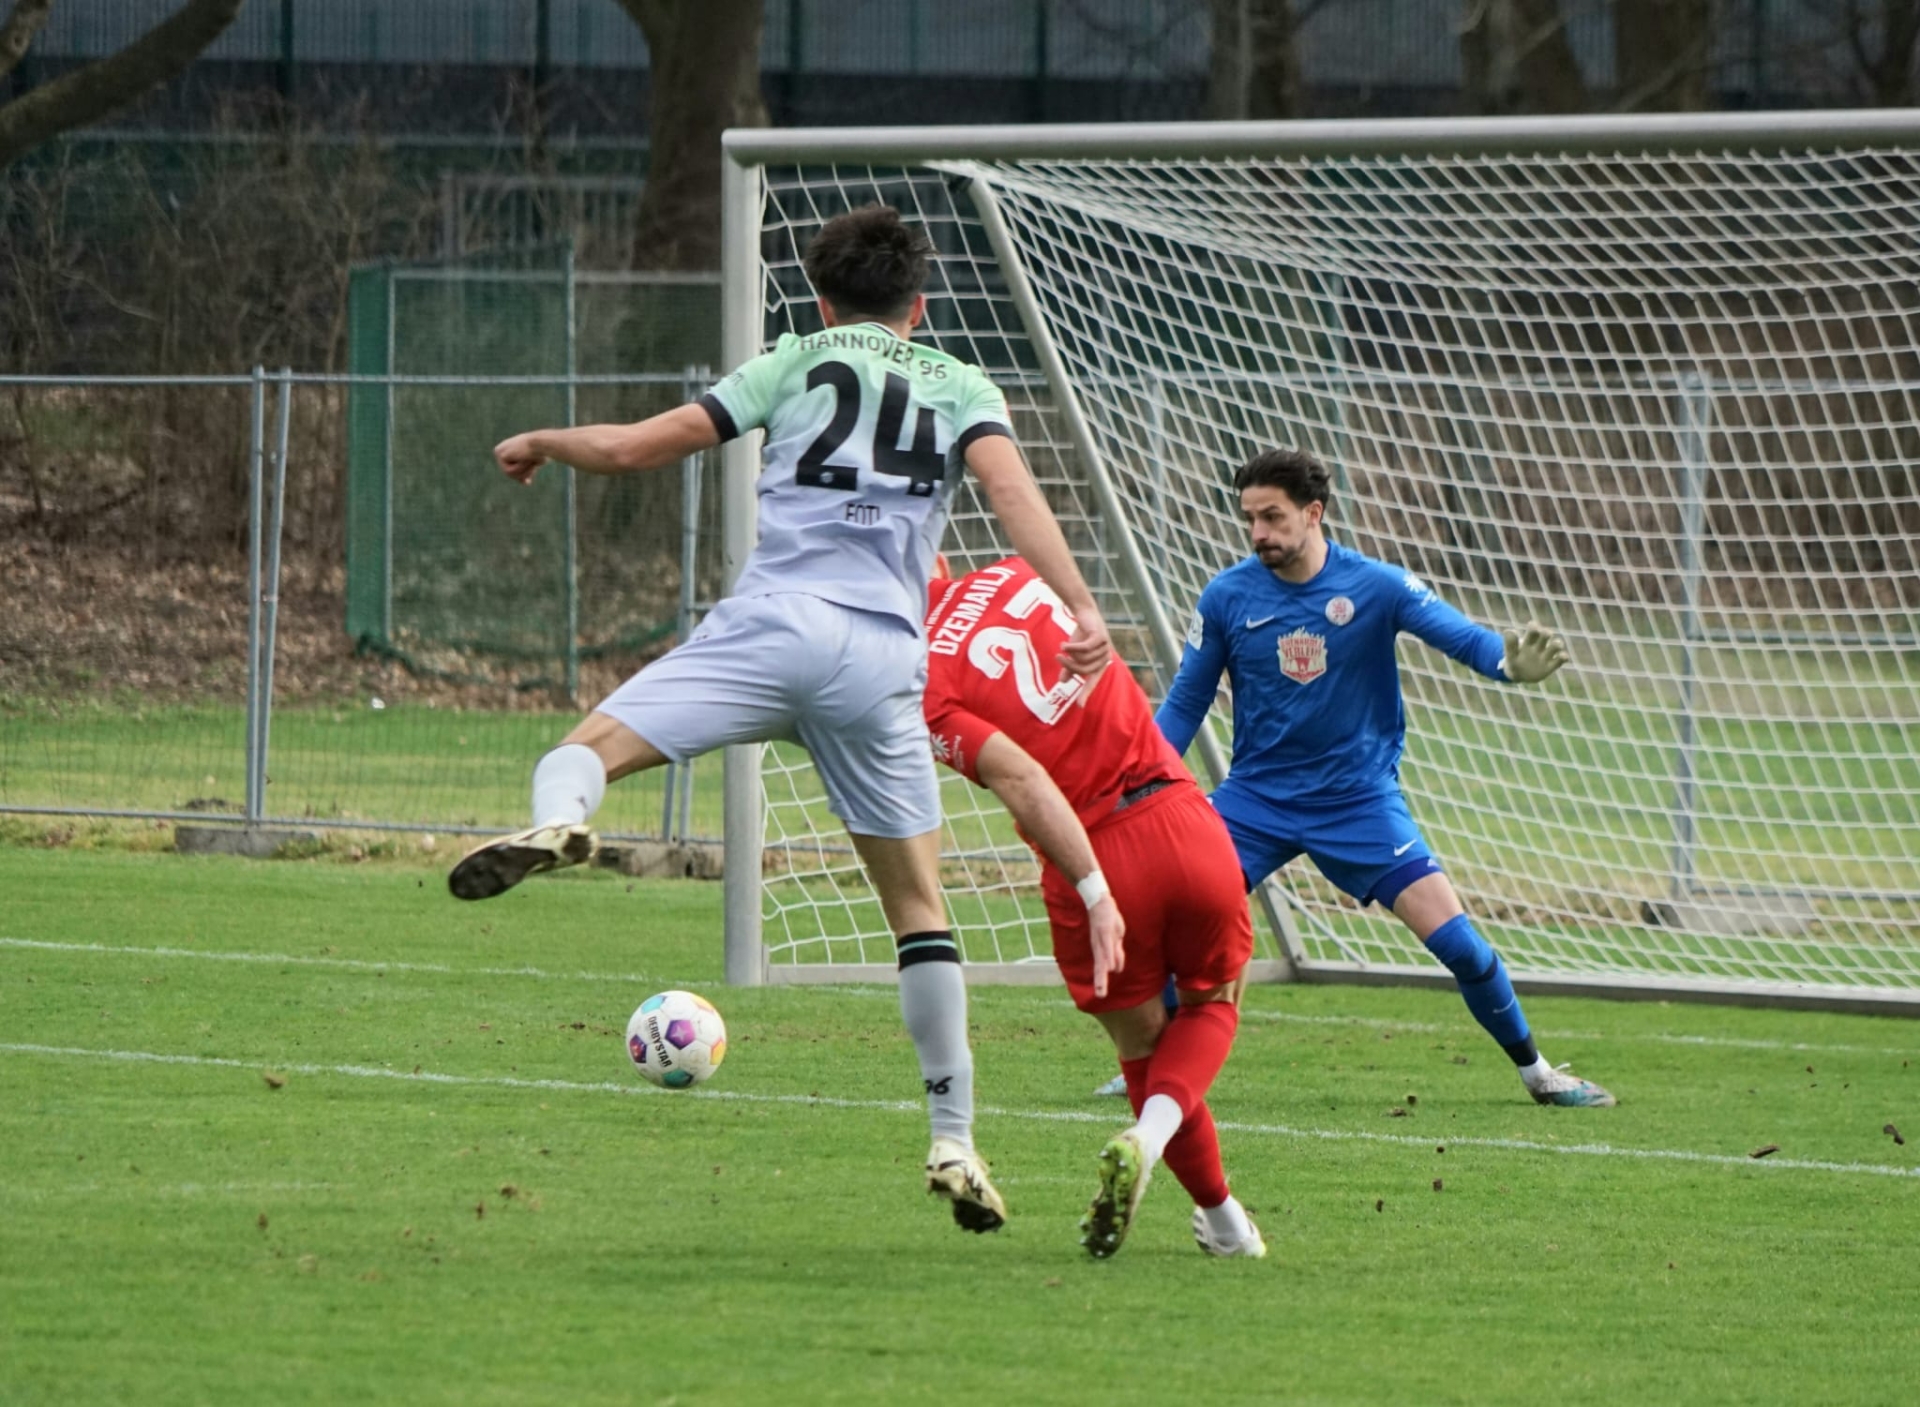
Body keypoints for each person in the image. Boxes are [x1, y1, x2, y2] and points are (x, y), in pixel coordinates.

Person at [448, 204, 1114, 1233]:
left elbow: (633, 448)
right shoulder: (960, 384)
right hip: (885, 661)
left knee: (581, 749)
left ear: (822, 298)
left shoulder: (790, 360)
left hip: (774, 627)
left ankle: (565, 818)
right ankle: (952, 1133)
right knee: (920, 911)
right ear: (919, 306)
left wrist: (545, 439)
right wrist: (1081, 605)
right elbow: (1013, 494)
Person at [1157, 448, 1615, 1109]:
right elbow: (1185, 701)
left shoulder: (1376, 586)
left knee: (1460, 944)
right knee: (1175, 914)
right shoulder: (1227, 596)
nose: (1258, 533)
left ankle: (1539, 1071)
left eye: (1273, 517)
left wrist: (1510, 666)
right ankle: (1157, 1060)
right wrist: (1140, 772)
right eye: (1249, 518)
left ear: (1313, 514)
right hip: (1255, 799)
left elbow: (1468, 640)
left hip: (1358, 800)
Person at [923, 554, 1265, 1259]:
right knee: (1211, 1003)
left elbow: (1017, 778)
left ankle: (1183, 1170)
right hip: (1181, 817)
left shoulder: (916, 681)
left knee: (1140, 1045)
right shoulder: (1015, 570)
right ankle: (1222, 1218)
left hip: (1091, 856)